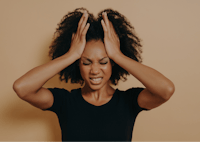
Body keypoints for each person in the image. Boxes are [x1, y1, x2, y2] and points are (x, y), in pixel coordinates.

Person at [13, 8, 175, 142]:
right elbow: (22, 88)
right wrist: (71, 54)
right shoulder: (65, 101)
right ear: (78, 64)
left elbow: (166, 89)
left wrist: (118, 55)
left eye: (103, 62)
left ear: (112, 63)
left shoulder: (128, 101)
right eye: (86, 62)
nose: (95, 70)